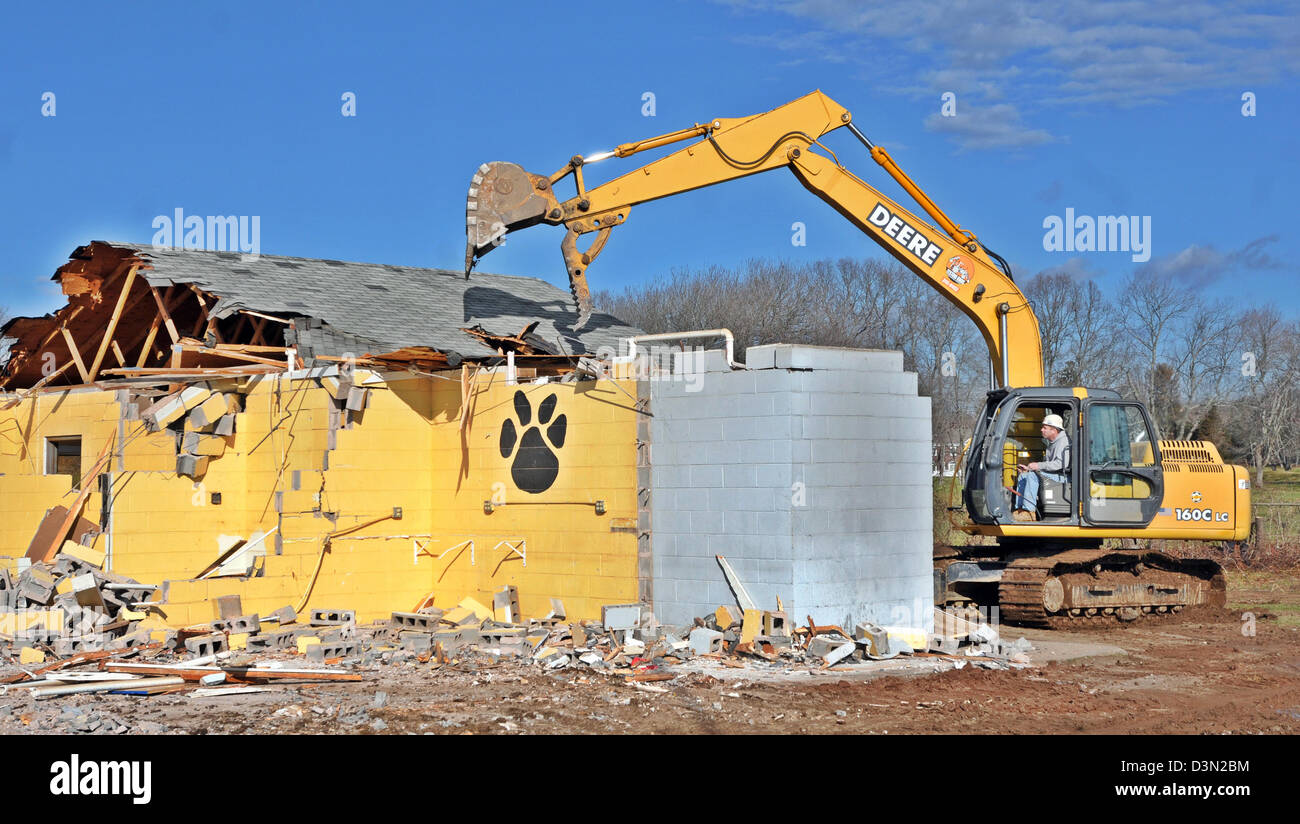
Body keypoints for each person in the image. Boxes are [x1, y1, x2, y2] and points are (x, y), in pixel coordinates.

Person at [1013, 413, 1069, 521]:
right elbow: (1048, 466)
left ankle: (1029, 511)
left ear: (1054, 430)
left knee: (1033, 476)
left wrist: (1038, 466)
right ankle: (1020, 510)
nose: (1041, 430)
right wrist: (1029, 469)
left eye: (1045, 428)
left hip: (1064, 476)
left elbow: (1061, 464)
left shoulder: (1064, 442)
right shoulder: (1053, 442)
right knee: (1023, 476)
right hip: (1055, 474)